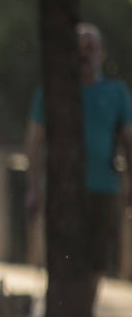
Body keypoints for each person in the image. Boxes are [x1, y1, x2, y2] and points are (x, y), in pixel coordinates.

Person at [25, 23, 132, 294]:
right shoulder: (51, 93)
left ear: (102, 53)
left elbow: (129, 141)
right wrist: (34, 188)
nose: (85, 54)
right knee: (63, 259)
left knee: (97, 260)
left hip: (104, 188)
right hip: (62, 191)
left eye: (91, 48)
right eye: (80, 48)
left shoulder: (117, 93)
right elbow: (35, 143)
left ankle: (86, 315)